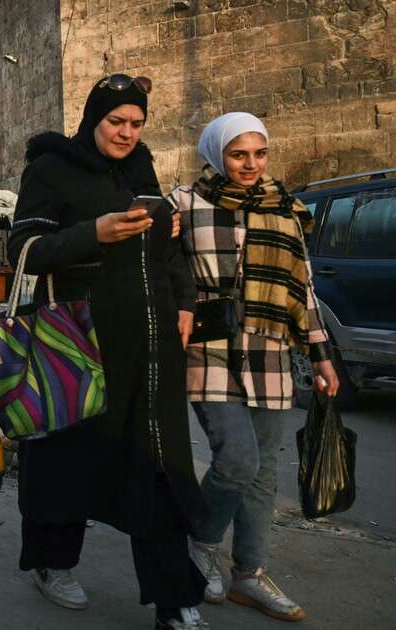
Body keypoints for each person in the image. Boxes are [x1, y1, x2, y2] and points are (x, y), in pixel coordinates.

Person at [7, 74, 209, 630]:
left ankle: (174, 597)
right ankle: (51, 562)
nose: (126, 133)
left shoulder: (142, 168)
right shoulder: (51, 169)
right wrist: (93, 232)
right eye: (115, 122)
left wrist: (185, 301)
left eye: (136, 123)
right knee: (67, 460)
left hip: (152, 346)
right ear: (93, 118)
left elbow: (167, 247)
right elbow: (22, 249)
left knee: (161, 466)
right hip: (82, 344)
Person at [166, 112, 337, 623]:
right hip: (210, 349)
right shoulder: (185, 204)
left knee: (262, 474)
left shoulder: (287, 209)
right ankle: (199, 542)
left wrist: (322, 355)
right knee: (237, 459)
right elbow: (165, 269)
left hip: (270, 351)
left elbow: (301, 291)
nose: (250, 164)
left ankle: (249, 574)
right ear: (217, 153)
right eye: (239, 154)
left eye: (259, 154)